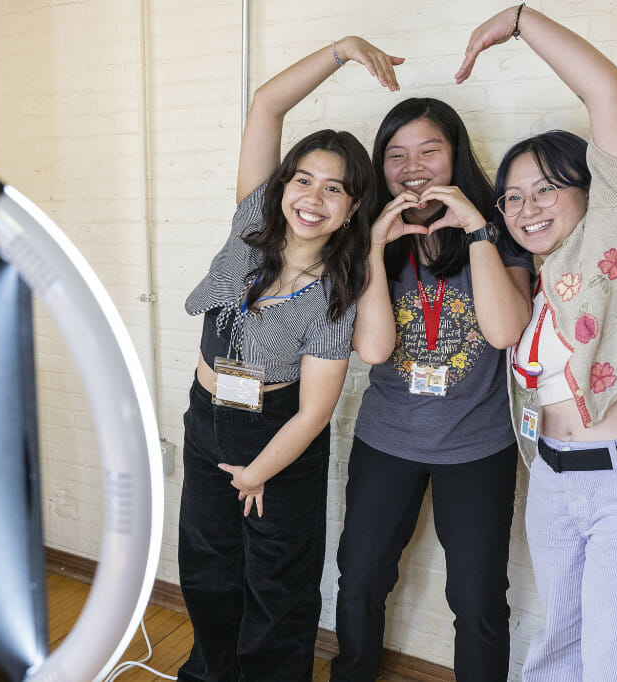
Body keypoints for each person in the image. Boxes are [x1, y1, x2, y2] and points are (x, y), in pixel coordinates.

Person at [457, 6, 617, 681]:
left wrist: (518, 20)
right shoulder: (540, 288)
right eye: (512, 198)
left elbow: (609, 92)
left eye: (547, 188)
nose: (527, 208)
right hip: (556, 481)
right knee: (559, 655)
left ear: (592, 185)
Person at [177, 37, 403, 682]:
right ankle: (208, 673)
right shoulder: (252, 221)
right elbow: (267, 103)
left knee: (279, 585)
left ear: (353, 207)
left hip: (277, 436)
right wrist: (341, 52)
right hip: (206, 417)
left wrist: (256, 474)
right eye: (303, 179)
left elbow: (314, 413)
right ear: (283, 185)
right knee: (208, 567)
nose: (313, 196)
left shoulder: (340, 289)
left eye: (335, 189)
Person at [330, 96, 534, 680]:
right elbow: (374, 350)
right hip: (387, 440)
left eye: (429, 151)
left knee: (477, 599)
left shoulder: (500, 231)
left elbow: (503, 331)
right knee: (361, 578)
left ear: (456, 157)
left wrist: (477, 229)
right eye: (396, 155)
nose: (412, 167)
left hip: (478, 447)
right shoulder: (369, 241)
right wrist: (372, 243)